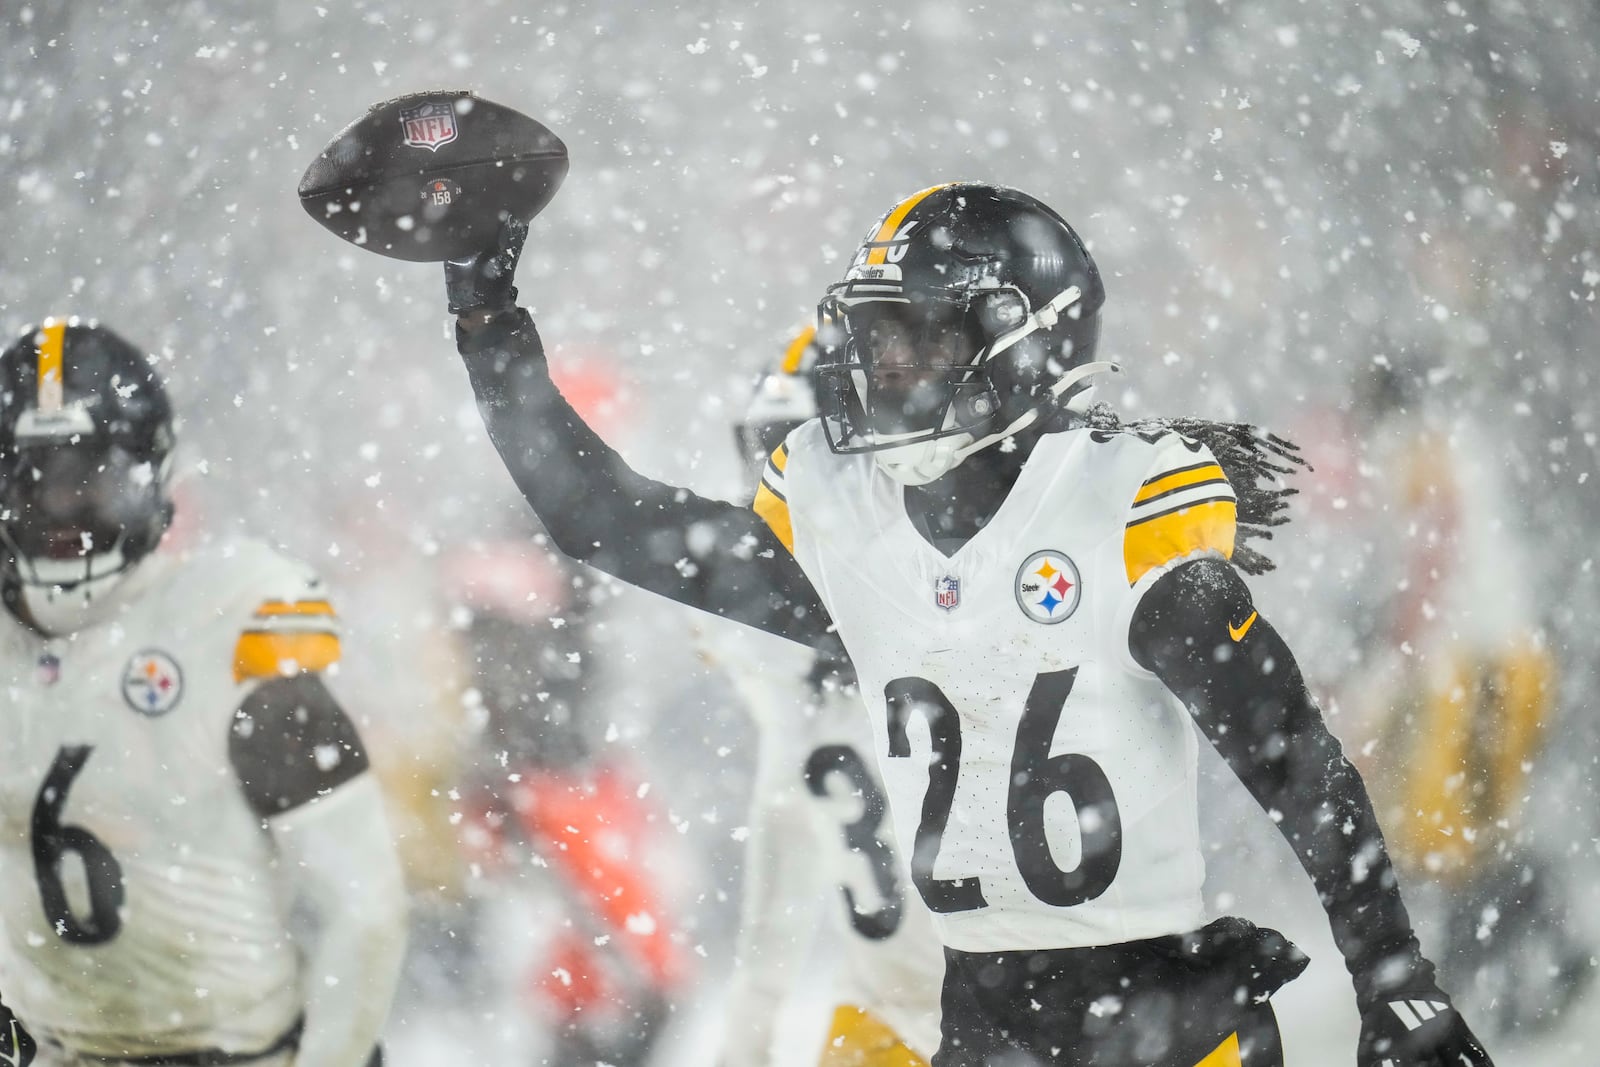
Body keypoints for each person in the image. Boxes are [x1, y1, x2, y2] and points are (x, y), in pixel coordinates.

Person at [430, 183, 1494, 1066]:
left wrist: (1392, 973)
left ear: (1021, 342)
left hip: (1169, 1022)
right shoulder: (853, 530)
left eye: (912, 338)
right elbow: (600, 517)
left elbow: (1289, 754)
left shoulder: (1116, 512)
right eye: (876, 336)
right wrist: (487, 311)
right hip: (983, 1022)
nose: (878, 369)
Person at [0, 319, 406, 1067]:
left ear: (152, 476)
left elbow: (364, 906)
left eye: (85, 479)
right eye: (31, 481)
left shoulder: (226, 619)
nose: (61, 518)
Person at [717, 329, 944, 1067]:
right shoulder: (769, 637)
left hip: (1029, 986)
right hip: (896, 1005)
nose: (779, 495)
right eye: (769, 461)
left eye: (798, 459)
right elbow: (793, 803)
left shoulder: (965, 586)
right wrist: (755, 1007)